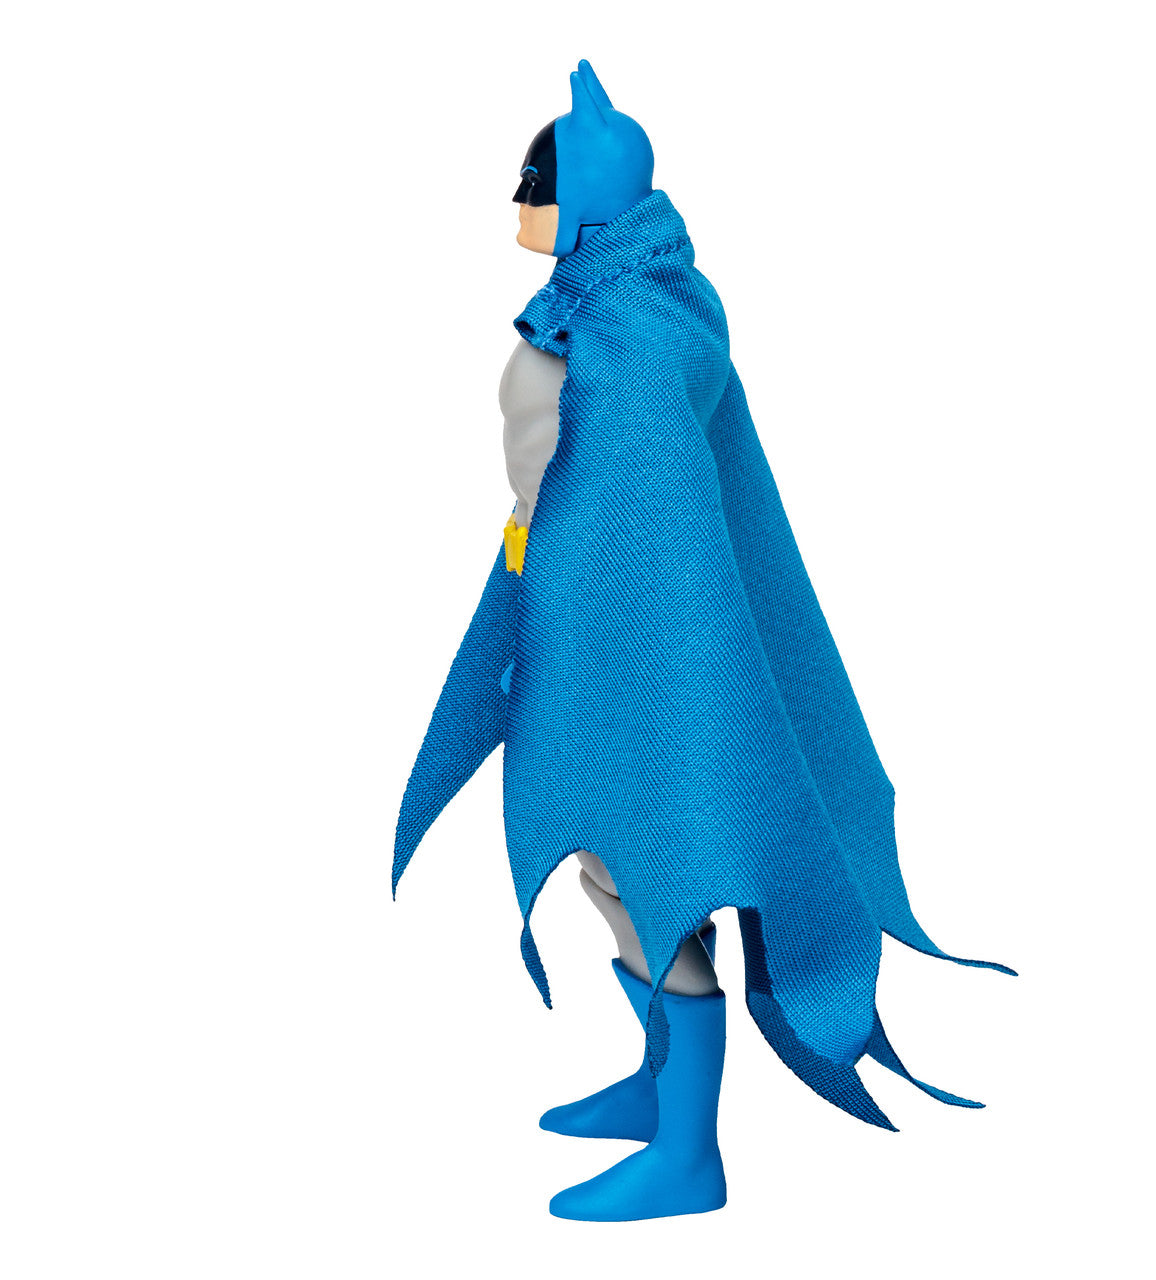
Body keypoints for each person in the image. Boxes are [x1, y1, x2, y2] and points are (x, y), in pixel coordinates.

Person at [393, 59, 1012, 1223]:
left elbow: (613, 514)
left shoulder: (614, 342)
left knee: (649, 873)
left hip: (628, 659)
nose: (517, 204)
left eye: (533, 184)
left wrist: (551, 584)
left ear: (583, 202)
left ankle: (687, 1152)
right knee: (606, 869)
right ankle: (655, 1081)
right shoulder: (634, 309)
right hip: (601, 641)